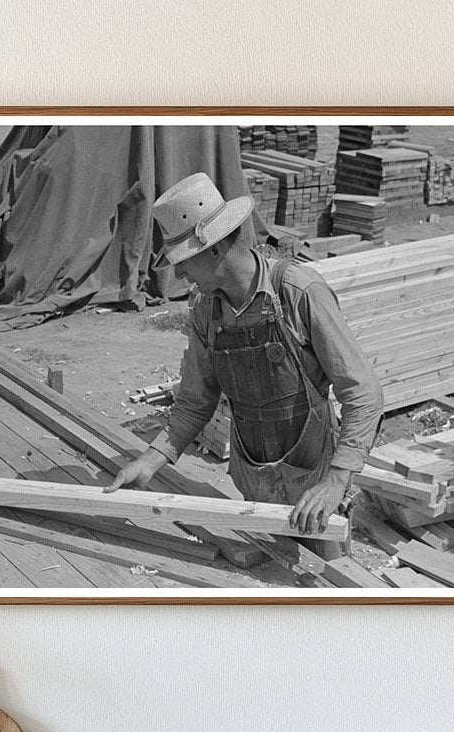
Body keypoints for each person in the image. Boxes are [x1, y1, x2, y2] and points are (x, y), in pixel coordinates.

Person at [105, 172, 383, 552]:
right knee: (267, 571)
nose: (181, 272)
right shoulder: (207, 311)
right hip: (254, 481)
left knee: (329, 576)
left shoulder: (298, 293)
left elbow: (364, 393)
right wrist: (149, 462)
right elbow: (194, 402)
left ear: (215, 250)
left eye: (184, 261)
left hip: (313, 481)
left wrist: (335, 481)